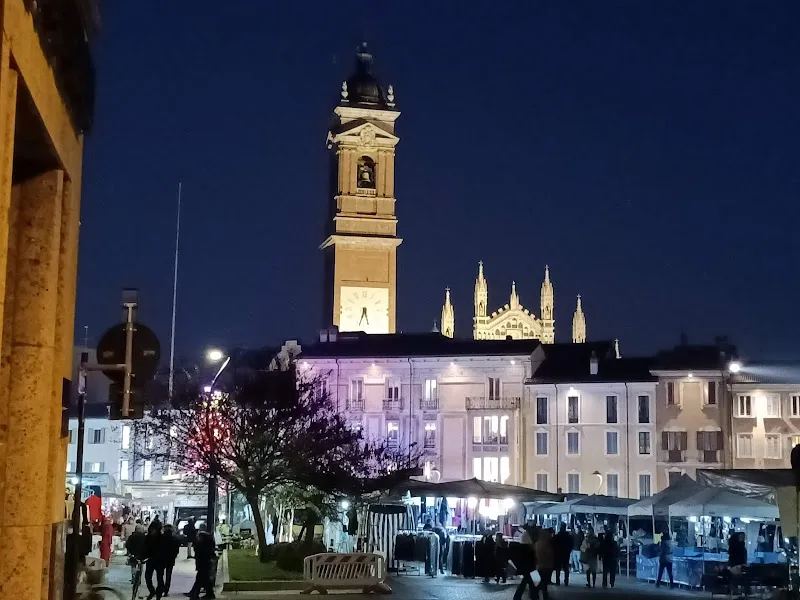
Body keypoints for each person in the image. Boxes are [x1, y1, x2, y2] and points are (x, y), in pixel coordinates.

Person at [187, 523, 217, 599]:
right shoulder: (209, 537)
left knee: (200, 578)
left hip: (202, 561)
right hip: (206, 561)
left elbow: (198, 549)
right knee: (204, 578)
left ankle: (194, 594)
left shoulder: (201, 538)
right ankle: (207, 593)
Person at [513, 526, 537, 600]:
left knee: (530, 581)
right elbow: (532, 558)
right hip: (530, 568)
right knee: (533, 581)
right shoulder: (528, 548)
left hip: (527, 568)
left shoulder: (522, 547)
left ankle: (533, 595)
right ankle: (534, 595)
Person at [144, 521, 166, 600]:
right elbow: (145, 548)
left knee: (159, 578)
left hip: (159, 560)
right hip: (151, 560)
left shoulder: (162, 538)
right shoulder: (148, 537)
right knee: (148, 577)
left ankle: (158, 595)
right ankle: (152, 591)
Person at [534, 528, 555, 600]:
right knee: (543, 583)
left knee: (538, 583)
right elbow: (549, 555)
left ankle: (536, 596)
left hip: (537, 566)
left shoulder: (536, 544)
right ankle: (544, 596)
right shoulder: (546, 544)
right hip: (545, 566)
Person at [162, 524, 182, 597]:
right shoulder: (175, 539)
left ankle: (161, 588)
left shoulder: (161, 538)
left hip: (162, 559)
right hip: (170, 559)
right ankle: (166, 590)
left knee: (160, 574)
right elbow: (176, 550)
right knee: (168, 575)